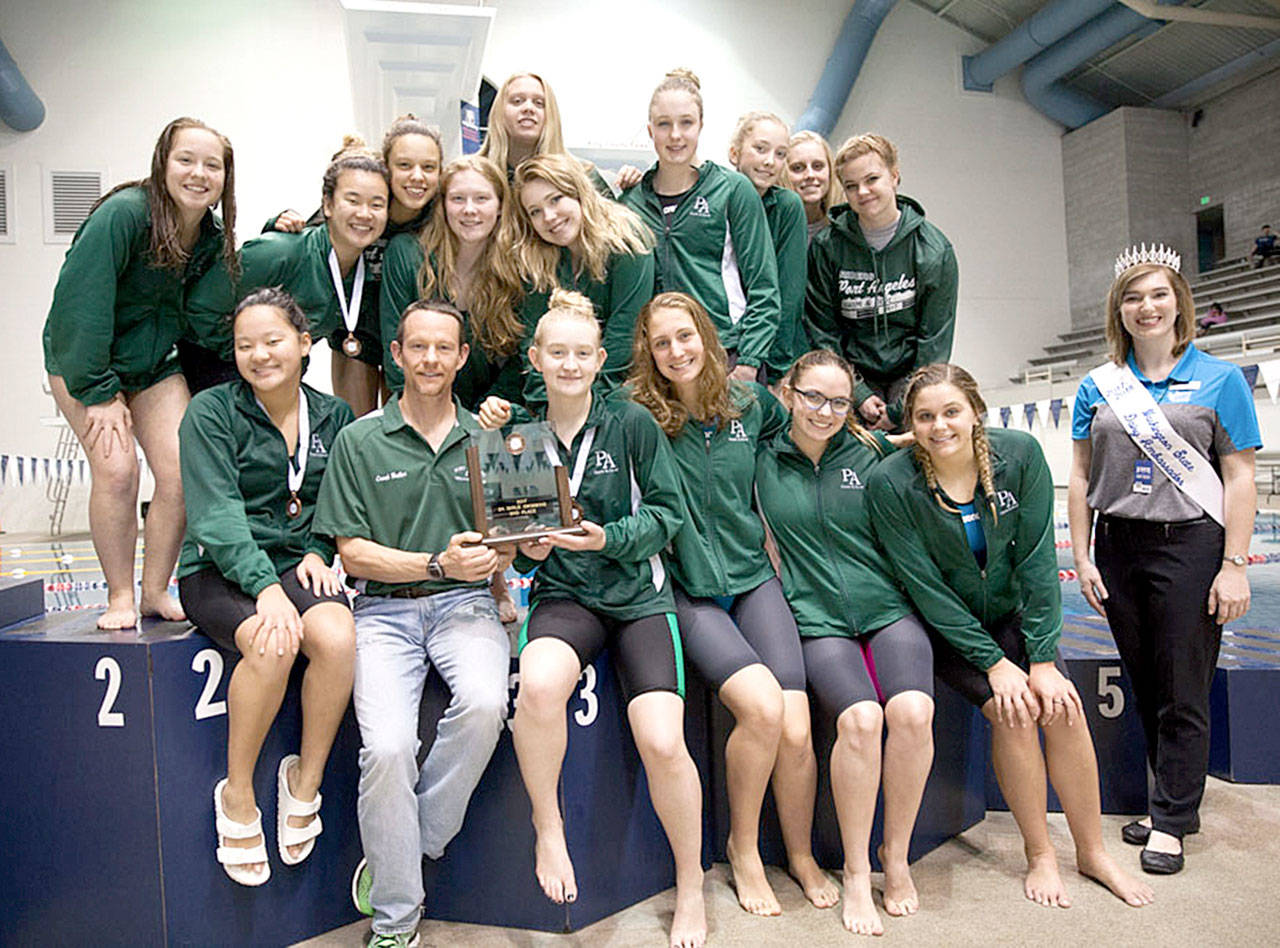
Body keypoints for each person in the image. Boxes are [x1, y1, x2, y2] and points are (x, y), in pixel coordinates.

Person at [868, 363, 1154, 909]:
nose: (939, 426)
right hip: (944, 627)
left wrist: (1041, 658)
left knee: (1063, 707)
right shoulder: (892, 482)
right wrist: (995, 664)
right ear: (911, 424)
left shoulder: (1018, 455)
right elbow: (924, 587)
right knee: (1014, 712)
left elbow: (1038, 560)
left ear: (976, 412)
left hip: (1009, 614)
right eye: (924, 417)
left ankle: (1092, 851)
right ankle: (1040, 852)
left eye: (951, 412)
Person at [479, 290, 705, 948]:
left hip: (638, 596)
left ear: (600, 359)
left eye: (582, 353)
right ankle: (549, 829)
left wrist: (610, 539)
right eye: (558, 353)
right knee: (538, 686)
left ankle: (690, 881)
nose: (570, 364)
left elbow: (666, 514)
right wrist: (530, 545)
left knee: (662, 740)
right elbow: (522, 546)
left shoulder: (631, 422)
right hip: (566, 595)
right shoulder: (518, 436)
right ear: (536, 359)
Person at [312, 298, 513, 948]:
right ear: (396, 355)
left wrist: (500, 555)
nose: (430, 359)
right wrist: (435, 562)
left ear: (461, 357)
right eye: (417, 347)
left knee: (486, 703)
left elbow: (508, 543)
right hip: (381, 612)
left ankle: (408, 845)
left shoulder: (486, 440)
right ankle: (396, 924)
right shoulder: (358, 440)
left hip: (466, 606)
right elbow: (351, 552)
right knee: (388, 749)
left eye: (443, 348)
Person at [629, 293, 837, 917]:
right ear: (648, 351)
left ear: (707, 336)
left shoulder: (748, 403)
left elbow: (810, 436)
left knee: (796, 727)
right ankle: (743, 850)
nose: (676, 351)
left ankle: (799, 854)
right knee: (762, 707)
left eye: (685, 336)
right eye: (662, 343)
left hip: (751, 578)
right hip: (689, 588)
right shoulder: (639, 416)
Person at [1068, 246, 1259, 875]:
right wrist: (1083, 556)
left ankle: (1172, 820)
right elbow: (1080, 476)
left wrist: (1234, 564)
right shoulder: (1099, 385)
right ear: (1118, 310)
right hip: (1119, 544)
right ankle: (1174, 802)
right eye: (1132, 297)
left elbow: (1240, 477)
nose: (1145, 308)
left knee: (1183, 685)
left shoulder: (1221, 379)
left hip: (1191, 545)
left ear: (1179, 302)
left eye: (1157, 295)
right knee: (1147, 682)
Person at [178, 288, 356, 887]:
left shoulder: (334, 416)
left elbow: (338, 500)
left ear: (304, 344)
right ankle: (238, 792)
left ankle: (305, 779)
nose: (259, 355)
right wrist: (264, 588)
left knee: (336, 635)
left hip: (294, 564)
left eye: (273, 341)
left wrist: (320, 549)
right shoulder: (210, 413)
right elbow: (216, 515)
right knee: (274, 641)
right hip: (219, 569)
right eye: (244, 345)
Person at [756, 349, 934, 935]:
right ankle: (857, 871)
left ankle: (895, 856)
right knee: (860, 720)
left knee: (913, 712)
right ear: (788, 393)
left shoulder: (870, 452)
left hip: (887, 609)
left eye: (838, 402)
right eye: (813, 397)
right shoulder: (761, 459)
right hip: (817, 619)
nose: (824, 412)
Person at [43, 116, 236, 629]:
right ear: (162, 164)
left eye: (212, 166)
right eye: (186, 160)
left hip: (151, 366)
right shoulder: (124, 215)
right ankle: (119, 595)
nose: (198, 174)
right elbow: (79, 307)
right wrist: (98, 393)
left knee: (183, 470)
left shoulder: (210, 237)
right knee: (118, 470)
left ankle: (154, 590)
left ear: (225, 177)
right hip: (86, 361)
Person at [185, 139, 389, 411]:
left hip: (276, 379)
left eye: (377, 204)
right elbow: (198, 307)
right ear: (327, 204)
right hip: (212, 368)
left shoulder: (362, 275)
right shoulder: (281, 251)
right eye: (353, 201)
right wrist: (248, 354)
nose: (364, 214)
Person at [270, 117, 445, 414]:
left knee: (404, 424)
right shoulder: (364, 208)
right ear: (386, 168)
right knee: (358, 424)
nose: (417, 177)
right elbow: (310, 242)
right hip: (355, 330)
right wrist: (277, 223)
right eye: (404, 166)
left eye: (428, 167)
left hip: (409, 334)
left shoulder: (439, 217)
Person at [620, 69, 781, 384]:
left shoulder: (732, 190)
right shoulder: (632, 202)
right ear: (650, 131)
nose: (675, 135)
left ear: (701, 126)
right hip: (662, 362)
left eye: (686, 123)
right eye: (664, 124)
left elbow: (764, 287)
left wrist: (748, 362)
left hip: (726, 356)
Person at [805, 134, 958, 432]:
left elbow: (934, 343)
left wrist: (901, 409)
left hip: (912, 375)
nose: (863, 192)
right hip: (850, 376)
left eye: (872, 179)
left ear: (894, 176)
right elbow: (824, 332)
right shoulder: (826, 247)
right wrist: (858, 393)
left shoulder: (934, 250)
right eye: (851, 186)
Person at [379, 155, 524, 406]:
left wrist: (486, 411)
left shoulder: (517, 268)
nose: (469, 209)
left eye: (482, 198)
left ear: (500, 206)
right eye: (458, 199)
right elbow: (396, 356)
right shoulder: (406, 254)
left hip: (489, 413)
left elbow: (518, 364)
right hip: (419, 406)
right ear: (443, 205)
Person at [512, 152, 655, 399]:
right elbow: (532, 341)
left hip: (614, 384)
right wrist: (545, 399)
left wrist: (581, 401)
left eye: (555, 199)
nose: (549, 217)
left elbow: (624, 336)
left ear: (579, 193)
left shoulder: (628, 242)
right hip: (555, 388)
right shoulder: (535, 257)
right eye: (535, 211)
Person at [727, 112, 809, 383]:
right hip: (725, 341)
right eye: (760, 149)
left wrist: (774, 372)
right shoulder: (716, 198)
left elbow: (788, 296)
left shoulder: (787, 207)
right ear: (734, 153)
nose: (769, 161)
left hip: (769, 354)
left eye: (780, 154)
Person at [478, 72, 616, 198]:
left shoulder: (584, 176)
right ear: (499, 113)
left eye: (539, 103)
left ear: (551, 115)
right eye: (517, 101)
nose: (528, 108)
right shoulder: (476, 175)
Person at [782, 131, 842, 243]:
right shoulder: (772, 229)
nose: (810, 175)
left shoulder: (845, 227)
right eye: (798, 168)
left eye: (817, 166)